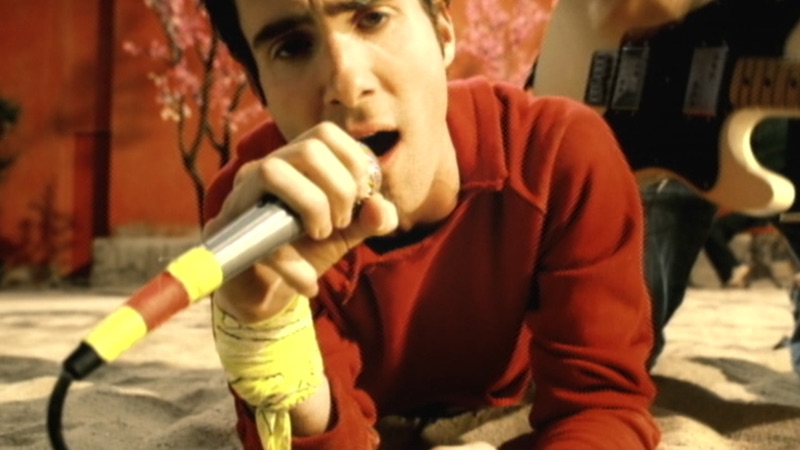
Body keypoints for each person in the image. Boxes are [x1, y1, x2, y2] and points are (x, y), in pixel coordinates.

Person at [200, 0, 661, 449]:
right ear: (259, 86)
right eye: (292, 47)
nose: (346, 82)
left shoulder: (558, 156)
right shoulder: (248, 217)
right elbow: (299, 433)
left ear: (443, 29)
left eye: (373, 18)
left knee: (657, 277)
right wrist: (265, 335)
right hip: (379, 402)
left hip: (530, 365)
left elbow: (603, 405)